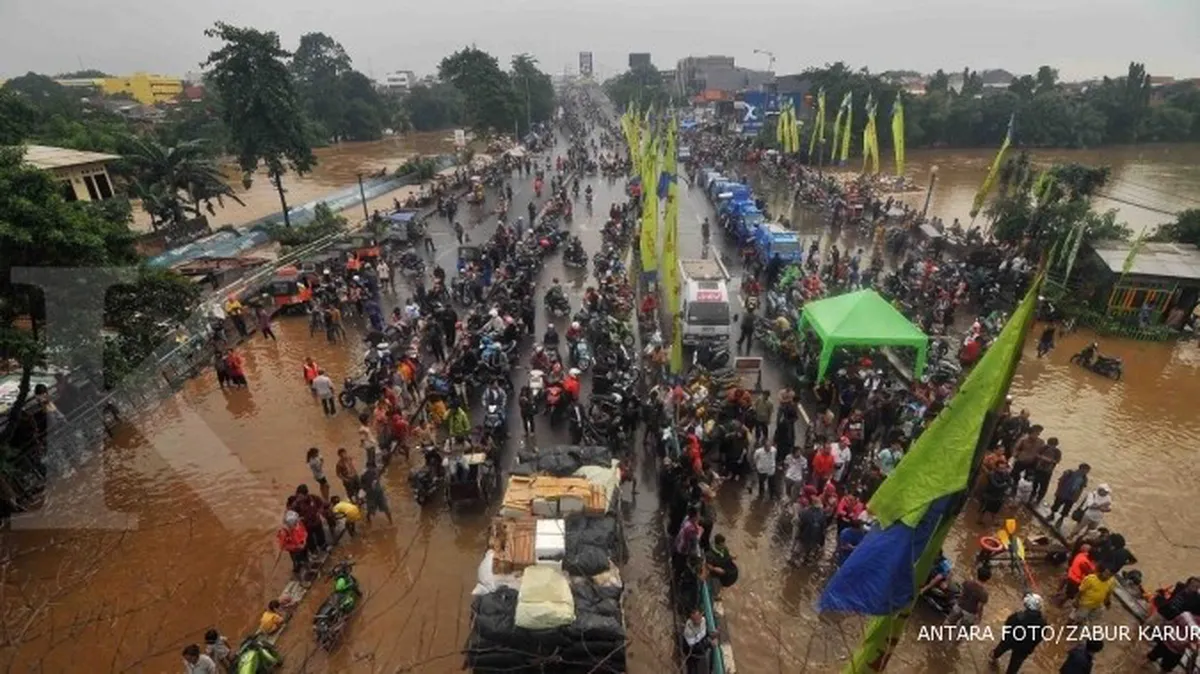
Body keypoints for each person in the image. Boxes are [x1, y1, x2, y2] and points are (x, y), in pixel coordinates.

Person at [989, 594, 1047, 674]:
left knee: (999, 650)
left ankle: (993, 657)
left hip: (1010, 640)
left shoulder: (1018, 616)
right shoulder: (1043, 623)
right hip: (1024, 648)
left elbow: (1007, 626)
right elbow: (1039, 639)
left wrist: (1006, 637)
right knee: (1014, 666)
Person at [1028, 437, 1062, 505]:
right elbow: (1036, 454)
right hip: (1039, 469)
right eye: (1050, 444)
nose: (1052, 446)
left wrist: (1050, 460)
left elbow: (1057, 461)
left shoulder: (1057, 452)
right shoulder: (1043, 448)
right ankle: (1032, 495)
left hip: (1047, 471)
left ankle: (1038, 499)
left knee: (1043, 486)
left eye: (1053, 445)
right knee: (1035, 483)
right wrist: (1041, 458)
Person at [680, 607, 713, 674]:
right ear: (691, 619)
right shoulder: (688, 632)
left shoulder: (703, 620)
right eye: (694, 620)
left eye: (698, 618)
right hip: (693, 655)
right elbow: (694, 648)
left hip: (702, 652)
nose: (697, 621)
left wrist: (710, 635)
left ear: (701, 615)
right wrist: (709, 643)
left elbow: (704, 634)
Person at [276, 510, 308, 577]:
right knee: (297, 563)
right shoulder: (283, 532)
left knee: (305, 558)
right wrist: (296, 547)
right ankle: (299, 574)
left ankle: (305, 564)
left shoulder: (297, 523)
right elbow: (283, 546)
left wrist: (304, 539)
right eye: (294, 523)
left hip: (303, 545)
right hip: (295, 551)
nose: (296, 524)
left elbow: (304, 530)